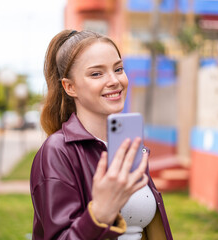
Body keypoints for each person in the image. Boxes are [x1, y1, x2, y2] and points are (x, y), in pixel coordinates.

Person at [30, 29, 173, 240]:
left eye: (118, 69)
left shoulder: (128, 145)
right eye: (97, 73)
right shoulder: (57, 151)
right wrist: (100, 213)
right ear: (70, 87)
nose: (114, 80)